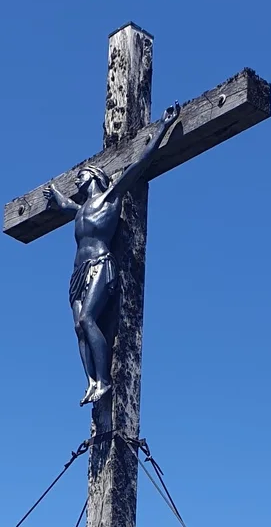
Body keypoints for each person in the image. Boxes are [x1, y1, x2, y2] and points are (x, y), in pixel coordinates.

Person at [44, 101, 181, 405]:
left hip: (100, 265)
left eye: (81, 176)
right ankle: (92, 381)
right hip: (78, 274)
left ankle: (104, 380)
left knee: (90, 319)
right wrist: (55, 196)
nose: (76, 180)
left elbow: (138, 165)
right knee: (79, 326)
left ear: (93, 177)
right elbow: (66, 206)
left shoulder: (110, 198)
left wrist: (163, 127)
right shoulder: (81, 210)